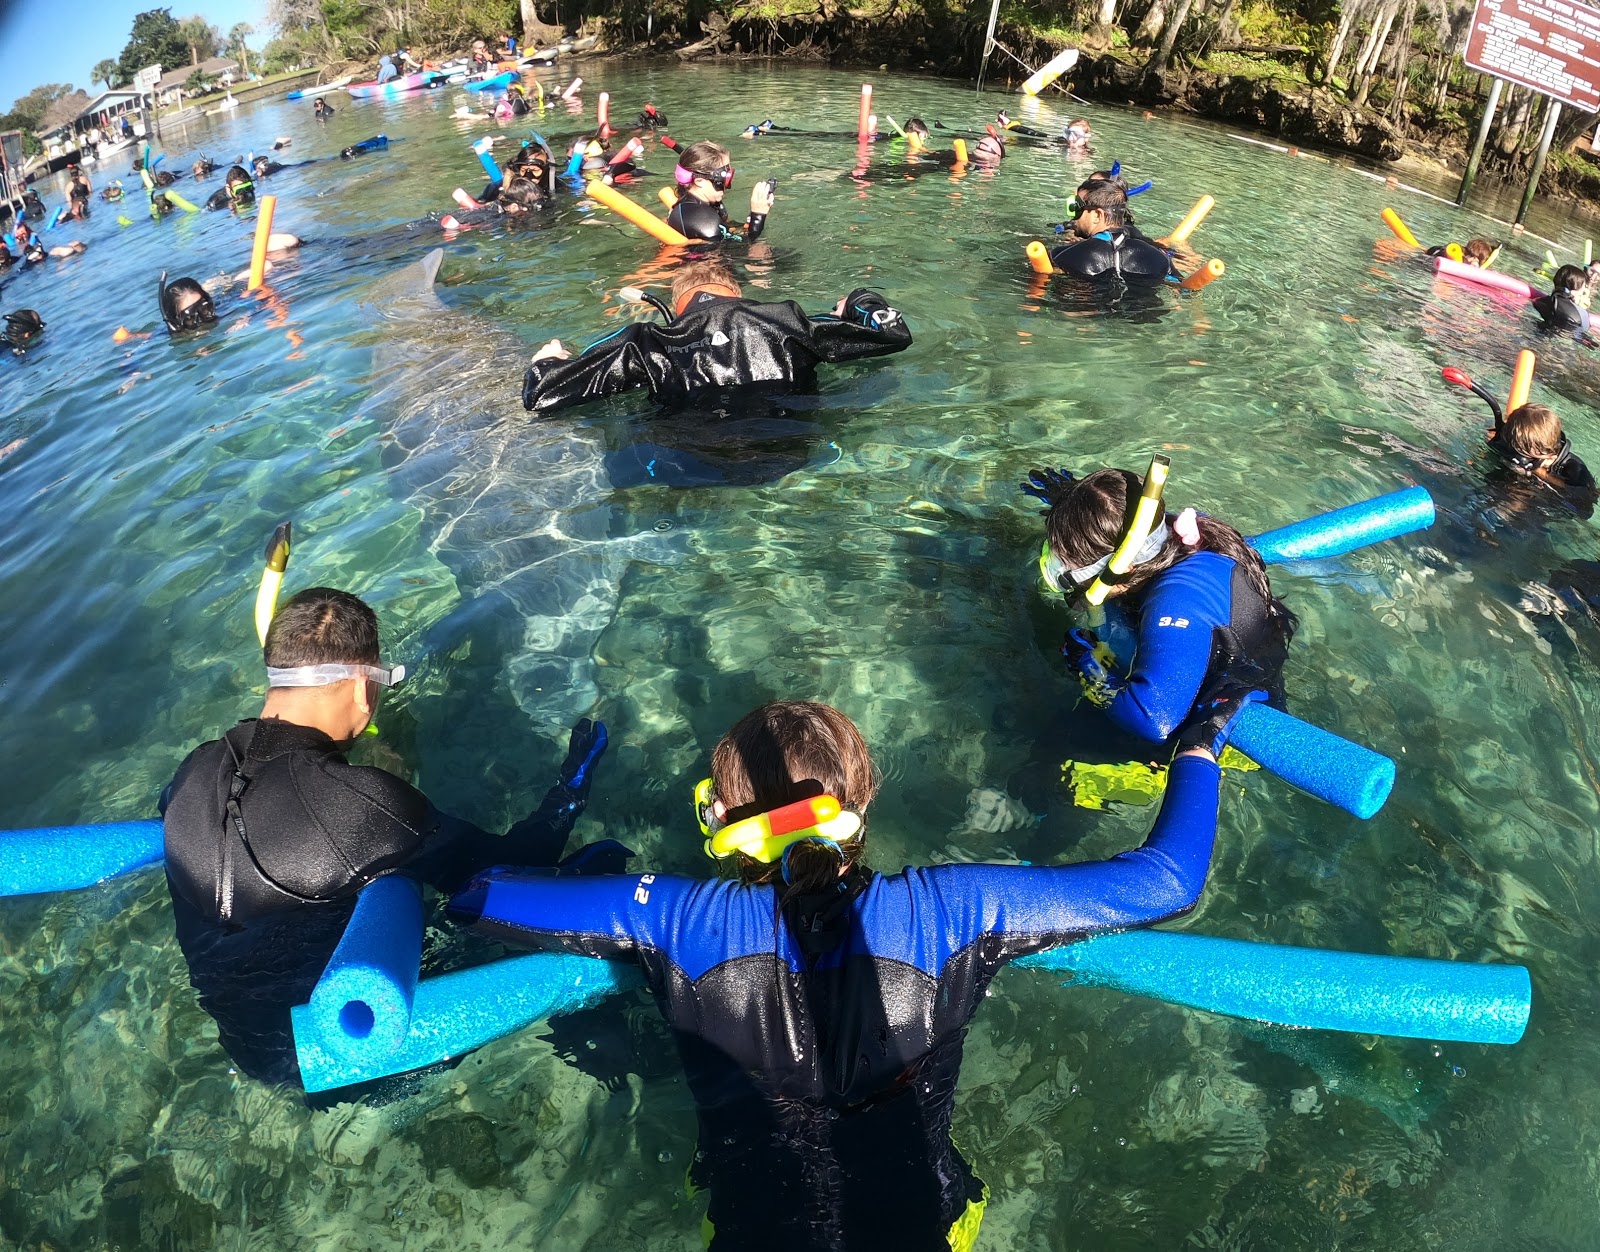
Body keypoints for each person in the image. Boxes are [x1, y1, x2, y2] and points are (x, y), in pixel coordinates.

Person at [452, 697, 1232, 1251]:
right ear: (862, 805)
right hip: (931, 1225)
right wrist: (1196, 750)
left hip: (746, 1230)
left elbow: (478, 894)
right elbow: (1165, 882)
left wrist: (594, 872)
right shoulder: (952, 910)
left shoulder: (675, 919)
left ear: (720, 822)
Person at [161, 586, 621, 1088]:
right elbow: (515, 863)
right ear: (363, 687)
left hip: (245, 1043)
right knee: (593, 952)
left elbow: (281, 814)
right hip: (346, 1053)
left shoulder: (193, 770)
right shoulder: (363, 805)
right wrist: (571, 790)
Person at [1025, 461, 1297, 745]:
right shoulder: (1167, 533)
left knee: (1047, 747)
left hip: (1215, 723)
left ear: (1123, 567)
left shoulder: (1176, 604)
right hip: (1185, 660)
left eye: (1063, 567)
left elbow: (1154, 721)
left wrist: (1089, 668)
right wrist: (1074, 507)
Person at [521, 257, 912, 414]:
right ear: (738, 294)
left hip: (684, 463)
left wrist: (547, 360)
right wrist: (858, 301)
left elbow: (542, 396)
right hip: (789, 451)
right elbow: (894, 331)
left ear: (677, 307)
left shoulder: (646, 341)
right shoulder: (790, 320)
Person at [1045, 179, 1176, 284]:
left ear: (1097, 215)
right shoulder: (1160, 258)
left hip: (1087, 314)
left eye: (1076, 209)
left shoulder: (1063, 256)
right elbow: (1183, 287)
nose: (1073, 218)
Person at [665, 140, 774, 243]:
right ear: (699, 181)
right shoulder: (703, 220)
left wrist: (749, 222)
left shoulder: (702, 205)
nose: (727, 185)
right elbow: (742, 248)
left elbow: (728, 230)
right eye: (724, 179)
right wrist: (758, 215)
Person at [1488, 402, 1595, 493]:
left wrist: (1538, 472)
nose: (1516, 457)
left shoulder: (1575, 471)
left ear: (1550, 457)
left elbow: (1586, 505)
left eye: (1524, 457)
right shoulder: (1513, 443)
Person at [1531, 264, 1590, 334]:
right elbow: (1584, 331)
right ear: (1575, 290)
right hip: (1568, 334)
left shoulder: (1540, 301)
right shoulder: (1581, 313)